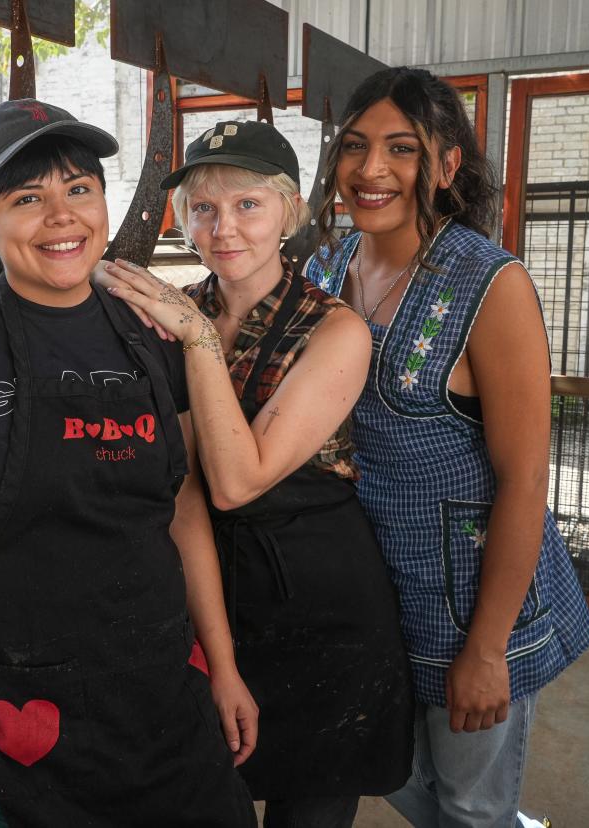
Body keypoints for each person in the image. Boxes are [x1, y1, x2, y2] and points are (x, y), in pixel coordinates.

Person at [0, 98, 258, 828]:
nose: (62, 216)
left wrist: (222, 665)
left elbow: (182, 504)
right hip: (20, 717)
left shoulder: (145, 329)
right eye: (27, 199)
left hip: (165, 693)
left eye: (79, 189)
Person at [96, 119, 413, 828]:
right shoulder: (174, 315)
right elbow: (188, 495)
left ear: (289, 213)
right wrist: (221, 656)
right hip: (216, 590)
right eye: (204, 209)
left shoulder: (335, 331)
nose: (223, 228)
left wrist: (200, 340)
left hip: (325, 607)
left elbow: (239, 480)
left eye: (247, 205)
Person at [303, 67, 589, 827]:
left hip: (475, 598)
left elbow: (527, 476)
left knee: (470, 804)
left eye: (401, 148)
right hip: (374, 595)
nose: (371, 170)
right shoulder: (325, 271)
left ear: (447, 165)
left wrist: (488, 650)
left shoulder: (489, 285)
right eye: (355, 146)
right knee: (393, 771)